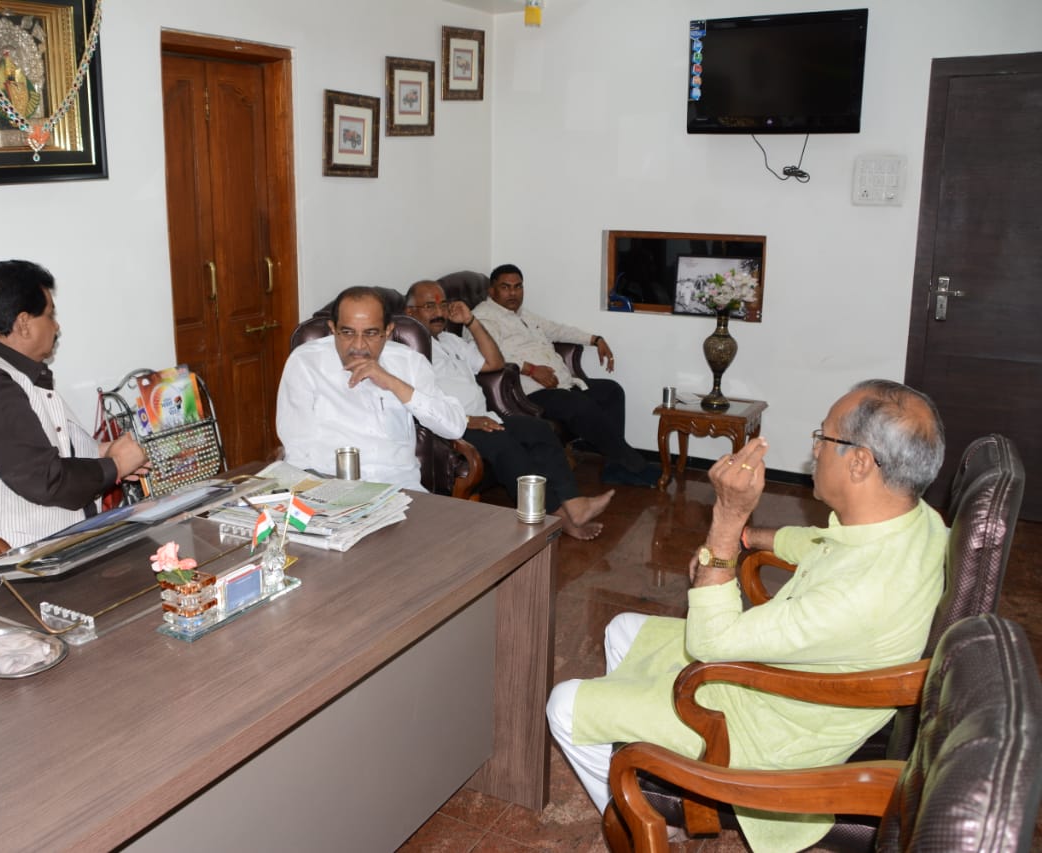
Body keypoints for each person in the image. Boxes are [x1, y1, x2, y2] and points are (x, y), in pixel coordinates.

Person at [545, 379, 947, 852]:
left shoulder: (858, 595)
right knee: (621, 629)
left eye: (825, 437)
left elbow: (710, 644)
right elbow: (822, 545)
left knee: (565, 706)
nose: (814, 448)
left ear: (860, 462)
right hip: (790, 680)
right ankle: (651, 758)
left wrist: (728, 520)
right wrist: (749, 538)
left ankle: (651, 822)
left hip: (767, 732)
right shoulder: (916, 522)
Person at [0, 260, 148, 567]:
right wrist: (115, 465)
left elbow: (46, 446)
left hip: (33, 555)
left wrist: (105, 453)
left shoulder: (12, 374)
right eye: (51, 314)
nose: (56, 326)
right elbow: (44, 479)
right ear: (24, 323)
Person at [405, 280, 613, 540]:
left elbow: (495, 362)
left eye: (442, 304)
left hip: (486, 418)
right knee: (507, 447)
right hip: (456, 426)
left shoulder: (449, 340)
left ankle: (574, 503)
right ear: (410, 312)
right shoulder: (409, 352)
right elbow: (421, 404)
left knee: (538, 430)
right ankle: (555, 517)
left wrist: (471, 322)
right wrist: (467, 419)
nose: (438, 312)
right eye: (429, 306)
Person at [472, 263, 655, 486]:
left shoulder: (522, 314)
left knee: (611, 391)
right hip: (526, 391)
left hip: (561, 383)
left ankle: (615, 466)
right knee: (579, 405)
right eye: (505, 287)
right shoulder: (482, 319)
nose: (513, 293)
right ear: (492, 291)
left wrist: (594, 339)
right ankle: (635, 465)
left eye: (518, 287)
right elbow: (487, 356)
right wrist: (530, 368)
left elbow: (556, 330)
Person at [276, 286, 465, 491]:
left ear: (388, 331)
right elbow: (296, 448)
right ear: (333, 329)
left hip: (400, 489)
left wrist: (393, 383)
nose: (358, 345)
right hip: (331, 488)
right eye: (347, 332)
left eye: (371, 333)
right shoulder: (306, 362)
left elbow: (454, 427)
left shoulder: (409, 362)